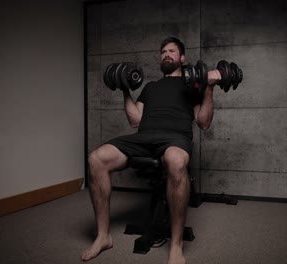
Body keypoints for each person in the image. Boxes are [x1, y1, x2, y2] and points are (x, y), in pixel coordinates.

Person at [81, 37, 221, 264]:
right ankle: (103, 236)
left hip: (175, 137)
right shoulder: (150, 87)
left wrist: (208, 89)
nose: (166, 54)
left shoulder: (193, 84)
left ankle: (176, 246)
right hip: (143, 138)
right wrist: (124, 89)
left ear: (182, 57)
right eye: (163, 51)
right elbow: (135, 120)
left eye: (172, 51)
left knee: (176, 161)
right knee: (97, 158)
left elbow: (203, 122)